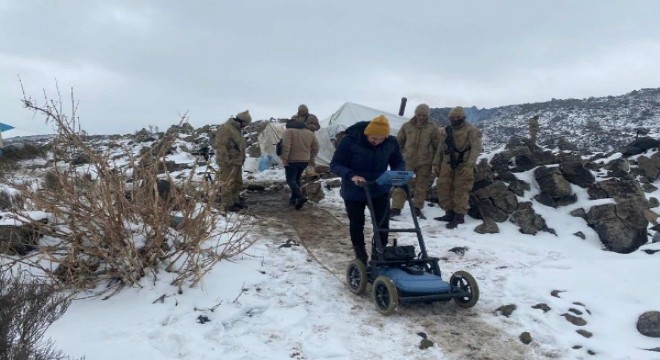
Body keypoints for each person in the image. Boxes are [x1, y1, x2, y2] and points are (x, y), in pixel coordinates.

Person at [330, 115, 405, 264]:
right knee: (357, 223)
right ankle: (360, 255)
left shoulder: (390, 143)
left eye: (381, 139)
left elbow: (398, 162)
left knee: (382, 224)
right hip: (354, 190)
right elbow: (335, 164)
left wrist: (397, 174)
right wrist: (351, 175)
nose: (377, 142)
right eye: (374, 138)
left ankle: (379, 254)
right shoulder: (350, 141)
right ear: (367, 133)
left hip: (379, 188)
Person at [390, 103, 443, 219]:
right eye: (419, 115)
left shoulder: (433, 128)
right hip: (407, 161)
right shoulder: (406, 126)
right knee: (401, 183)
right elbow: (399, 142)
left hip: (425, 162)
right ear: (415, 114)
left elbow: (437, 146)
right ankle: (396, 208)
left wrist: (435, 162)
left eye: (424, 115)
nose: (421, 117)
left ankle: (417, 208)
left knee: (421, 185)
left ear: (428, 115)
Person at [432, 106, 483, 229]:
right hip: (447, 164)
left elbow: (476, 148)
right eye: (453, 118)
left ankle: (459, 216)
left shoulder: (471, 130)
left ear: (463, 118)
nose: (455, 120)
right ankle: (449, 213)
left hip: (463, 164)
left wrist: (469, 165)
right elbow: (440, 148)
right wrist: (435, 164)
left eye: (458, 118)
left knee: (461, 189)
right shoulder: (446, 131)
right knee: (443, 187)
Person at [213, 110, 251, 212]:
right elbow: (220, 145)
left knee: (237, 182)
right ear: (241, 121)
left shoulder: (237, 129)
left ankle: (235, 201)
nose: (246, 126)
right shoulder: (226, 129)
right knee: (227, 183)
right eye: (246, 124)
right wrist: (225, 160)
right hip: (228, 162)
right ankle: (227, 204)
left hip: (237, 161)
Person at [279, 119, 319, 209]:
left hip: (292, 160)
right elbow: (316, 147)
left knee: (290, 179)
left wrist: (284, 159)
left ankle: (300, 196)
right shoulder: (309, 133)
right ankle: (293, 199)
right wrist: (311, 157)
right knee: (297, 179)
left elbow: (286, 146)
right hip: (304, 160)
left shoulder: (289, 131)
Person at [291, 104, 321, 177]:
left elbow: (317, 127)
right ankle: (301, 172)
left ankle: (311, 171)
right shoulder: (294, 117)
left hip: (309, 139)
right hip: (298, 139)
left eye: (304, 110)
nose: (303, 112)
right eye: (301, 110)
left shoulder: (312, 117)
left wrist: (307, 125)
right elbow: (289, 127)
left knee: (311, 155)